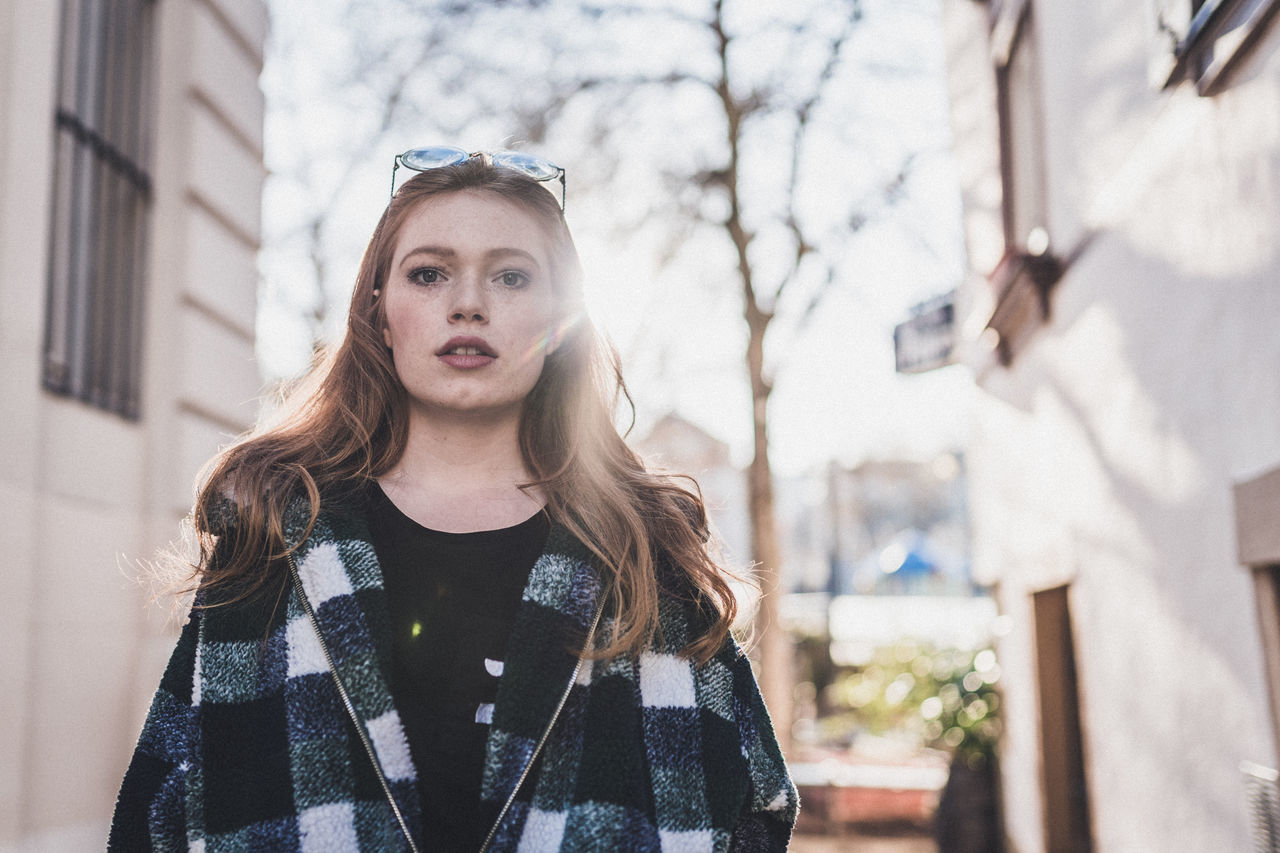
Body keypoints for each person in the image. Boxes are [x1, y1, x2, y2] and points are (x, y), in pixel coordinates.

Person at [109, 148, 798, 852]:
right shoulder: (278, 529)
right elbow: (160, 806)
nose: (468, 302)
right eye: (429, 272)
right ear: (379, 312)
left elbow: (755, 807)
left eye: (511, 275)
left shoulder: (645, 548)